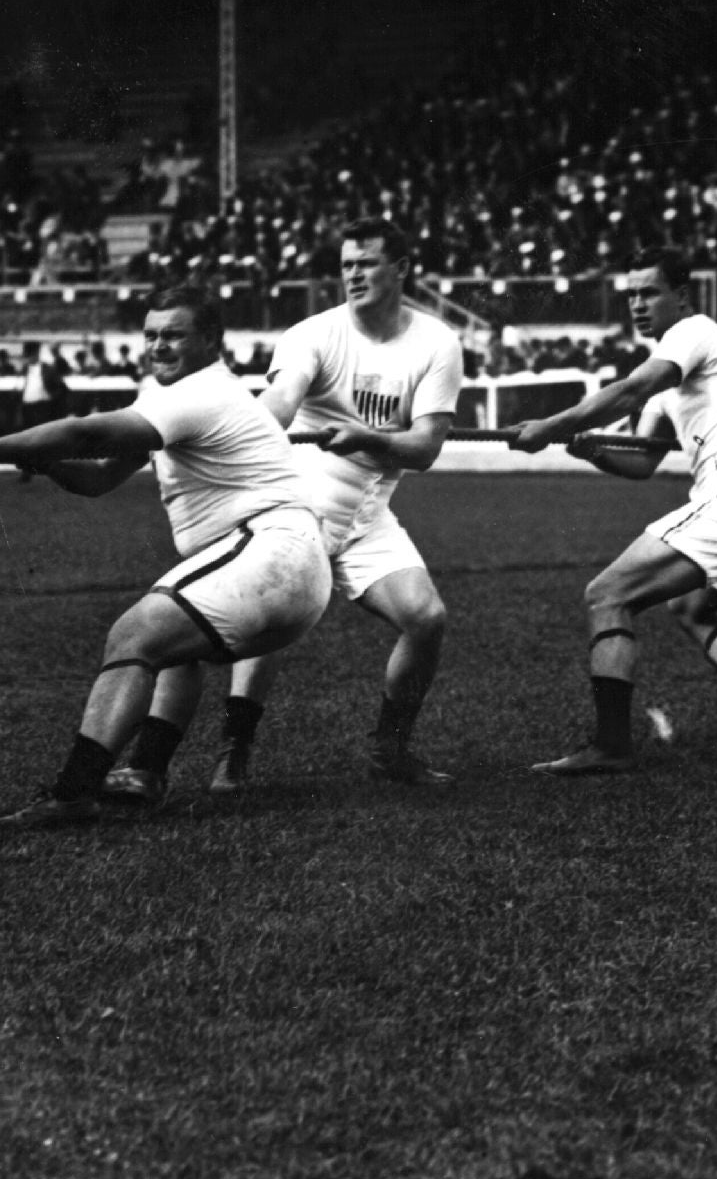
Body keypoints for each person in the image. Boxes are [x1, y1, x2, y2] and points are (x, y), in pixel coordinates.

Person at [0, 284, 332, 831]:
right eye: (150, 335)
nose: (158, 347)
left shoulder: (199, 394)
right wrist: (42, 461)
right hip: (283, 564)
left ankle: (73, 795)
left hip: (270, 551)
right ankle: (143, 772)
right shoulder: (184, 397)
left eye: (174, 335)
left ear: (212, 342)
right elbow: (97, 479)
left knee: (133, 635)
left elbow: (83, 431)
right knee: (173, 647)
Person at [109, 219, 461, 800]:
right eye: (347, 263)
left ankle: (389, 749)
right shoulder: (312, 334)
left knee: (426, 619)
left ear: (401, 269)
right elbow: (276, 406)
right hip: (295, 508)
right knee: (260, 627)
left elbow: (423, 449)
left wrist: (366, 438)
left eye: (368, 263)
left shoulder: (438, 343)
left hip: (369, 515)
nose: (353, 274)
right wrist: (210, 425)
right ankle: (228, 752)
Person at [509, 249, 717, 772]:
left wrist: (548, 428)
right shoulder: (674, 380)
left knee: (606, 595)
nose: (637, 305)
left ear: (681, 296)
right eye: (631, 295)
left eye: (649, 293)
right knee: (692, 607)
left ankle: (611, 745)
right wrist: (593, 450)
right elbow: (642, 462)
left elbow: (631, 388)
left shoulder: (694, 332)